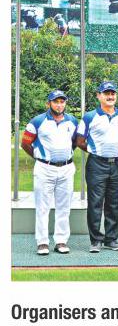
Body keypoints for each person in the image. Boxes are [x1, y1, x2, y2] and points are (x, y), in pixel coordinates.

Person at [21, 90, 78, 255]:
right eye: (56, 102)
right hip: (44, 169)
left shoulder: (73, 121)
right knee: (42, 207)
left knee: (64, 207)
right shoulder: (37, 121)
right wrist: (39, 157)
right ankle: (42, 242)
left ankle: (61, 241)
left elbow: (74, 142)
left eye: (62, 101)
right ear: (49, 103)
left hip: (66, 168)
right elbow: (25, 143)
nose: (59, 105)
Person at [76, 81, 118, 252]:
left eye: (113, 93)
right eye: (106, 93)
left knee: (114, 203)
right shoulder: (89, 117)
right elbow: (80, 141)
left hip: (117, 164)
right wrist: (95, 151)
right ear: (99, 96)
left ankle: (111, 239)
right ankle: (96, 240)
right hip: (96, 165)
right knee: (95, 203)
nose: (110, 96)